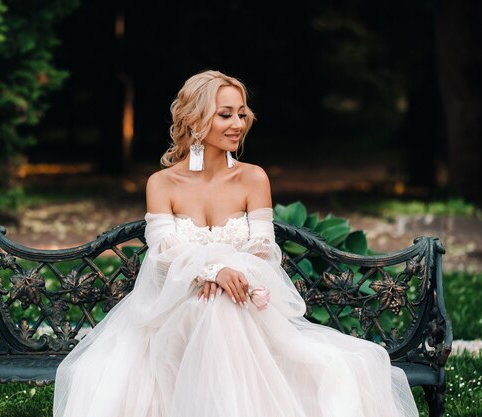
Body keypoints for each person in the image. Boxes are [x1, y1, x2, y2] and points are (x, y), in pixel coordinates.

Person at [53, 69, 419, 417]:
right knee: (206, 307)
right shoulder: (162, 184)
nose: (238, 125)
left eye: (241, 114)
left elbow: (262, 248)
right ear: (196, 121)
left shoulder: (253, 179)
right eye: (225, 115)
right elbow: (164, 252)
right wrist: (213, 271)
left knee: (222, 309)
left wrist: (231, 277)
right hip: (174, 313)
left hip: (245, 308)